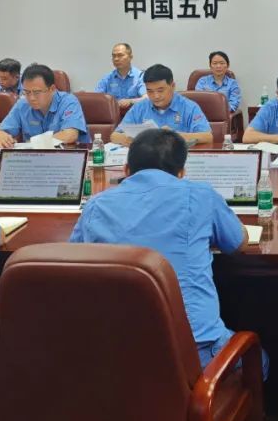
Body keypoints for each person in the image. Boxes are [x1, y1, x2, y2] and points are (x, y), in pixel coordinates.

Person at [70, 129, 267, 375]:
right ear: (182, 173)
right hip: (194, 356)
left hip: (116, 357)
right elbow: (239, 243)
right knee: (259, 361)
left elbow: (74, 262)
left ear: (126, 170)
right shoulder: (200, 195)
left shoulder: (95, 206)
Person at [111, 64, 212, 146]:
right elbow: (114, 136)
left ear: (172, 86)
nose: (156, 96)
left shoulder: (189, 107)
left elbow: (208, 137)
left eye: (160, 90)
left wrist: (175, 136)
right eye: (150, 91)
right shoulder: (139, 107)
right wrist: (128, 139)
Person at [0, 64, 89, 146]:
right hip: (34, 159)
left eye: (37, 92)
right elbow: (0, 133)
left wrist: (33, 144)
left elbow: (70, 135)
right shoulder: (22, 104)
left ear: (52, 89)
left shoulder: (68, 101)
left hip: (68, 157)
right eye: (27, 92)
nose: (31, 98)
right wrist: (3, 139)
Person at [94, 42, 145, 110]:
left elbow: (146, 98)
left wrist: (130, 101)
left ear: (130, 57)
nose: (116, 59)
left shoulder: (140, 76)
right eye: (114, 56)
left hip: (135, 114)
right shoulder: (107, 78)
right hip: (113, 114)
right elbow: (96, 99)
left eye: (120, 55)